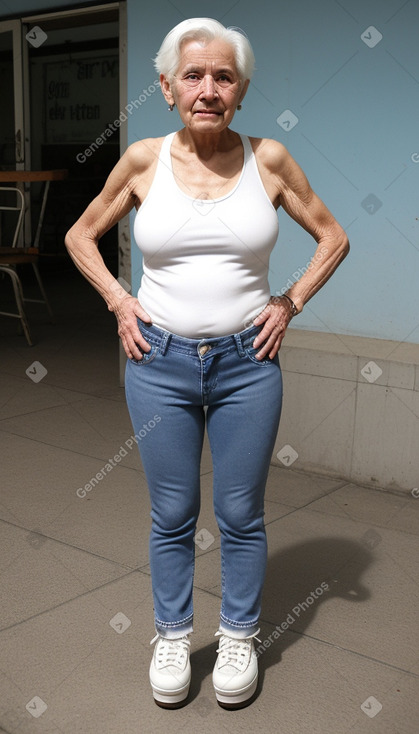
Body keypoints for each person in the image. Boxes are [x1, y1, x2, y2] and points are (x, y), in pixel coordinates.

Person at [65, 17, 349, 710]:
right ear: (166, 88)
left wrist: (289, 302)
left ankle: (240, 634)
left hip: (245, 365)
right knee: (172, 511)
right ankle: (170, 634)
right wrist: (118, 301)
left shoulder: (269, 161)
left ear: (241, 90)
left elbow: (332, 236)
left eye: (223, 76)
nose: (208, 88)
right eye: (192, 75)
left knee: (239, 511)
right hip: (157, 361)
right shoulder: (141, 161)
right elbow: (80, 233)